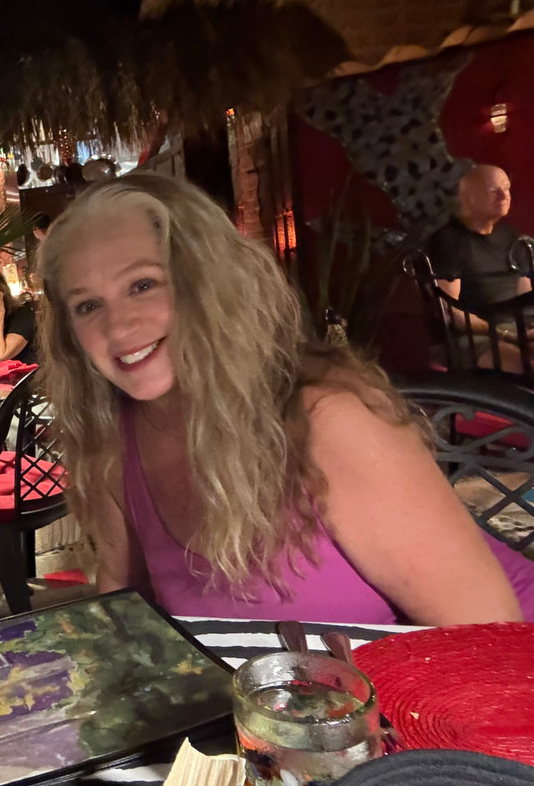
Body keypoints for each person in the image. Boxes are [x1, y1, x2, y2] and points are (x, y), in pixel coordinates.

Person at [38, 172, 532, 626]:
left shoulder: (327, 423)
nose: (117, 326)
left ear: (209, 285)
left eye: (142, 285)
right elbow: (127, 609)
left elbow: (487, 640)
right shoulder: (115, 442)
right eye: (88, 305)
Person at [426, 164, 534, 372]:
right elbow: (450, 312)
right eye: (493, 190)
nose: (504, 196)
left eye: (507, 188)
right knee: (526, 366)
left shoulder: (510, 235)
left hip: (517, 328)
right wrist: (506, 335)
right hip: (472, 336)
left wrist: (528, 330)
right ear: (469, 199)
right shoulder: (449, 240)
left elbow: (525, 293)